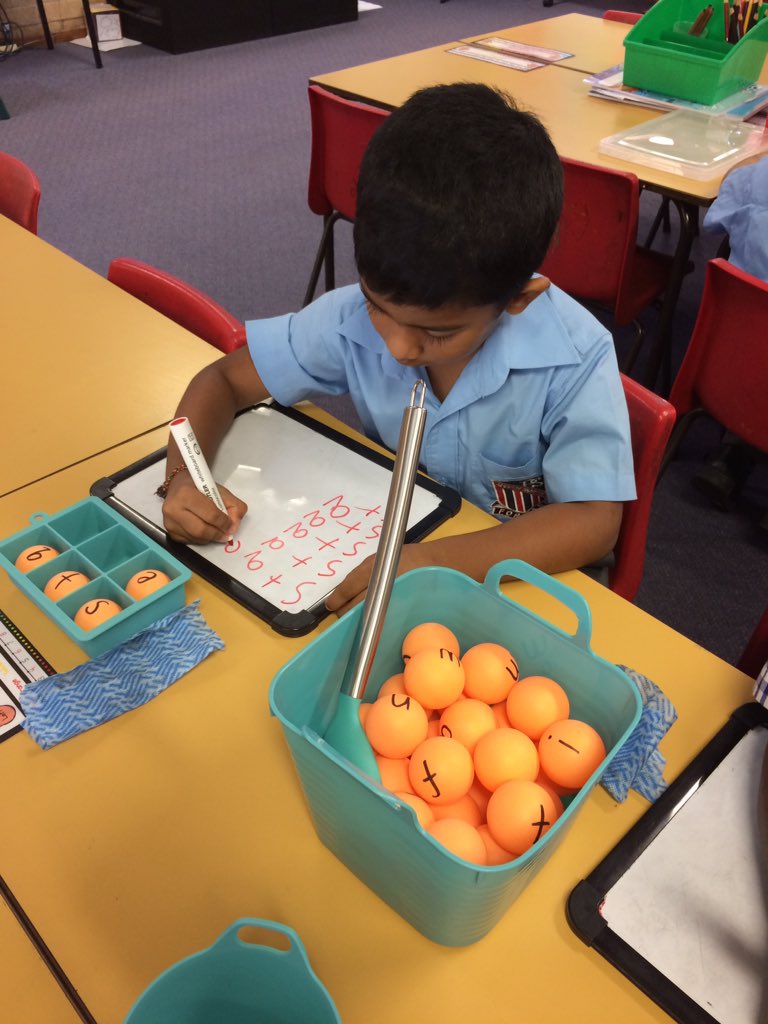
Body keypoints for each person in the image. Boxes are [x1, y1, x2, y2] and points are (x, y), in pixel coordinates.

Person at [160, 83, 635, 615]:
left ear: (518, 299)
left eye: (438, 333)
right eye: (377, 307)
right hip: (391, 544)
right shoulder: (353, 317)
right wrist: (182, 478)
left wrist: (434, 561)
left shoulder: (574, 357)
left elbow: (594, 521)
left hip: (517, 584)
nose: (398, 345)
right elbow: (222, 381)